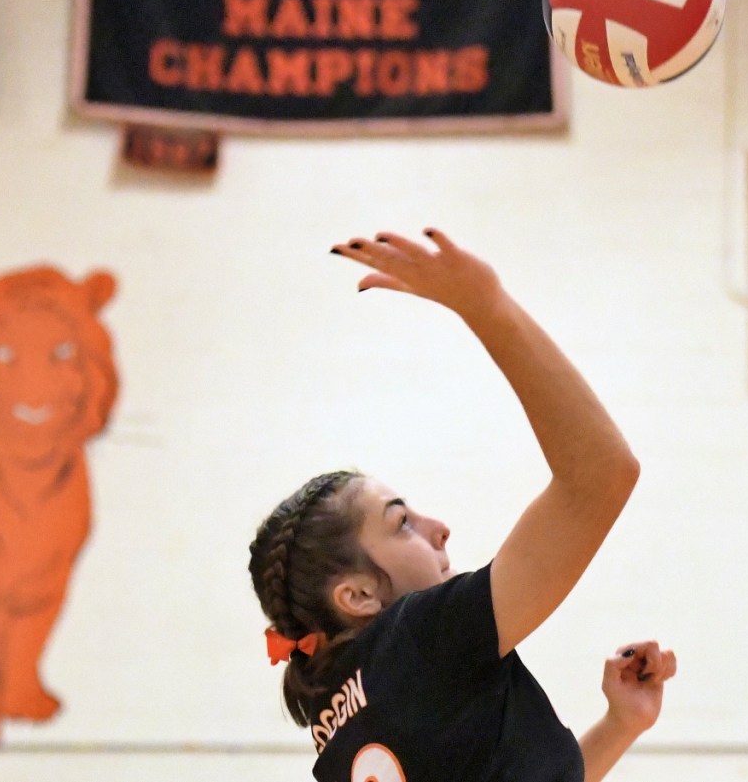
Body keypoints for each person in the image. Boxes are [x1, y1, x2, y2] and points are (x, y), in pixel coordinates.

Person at [248, 228, 676, 782]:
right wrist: (486, 307)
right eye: (401, 522)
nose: (438, 528)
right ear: (356, 595)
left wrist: (619, 726)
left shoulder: (337, 733)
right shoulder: (416, 640)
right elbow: (601, 476)